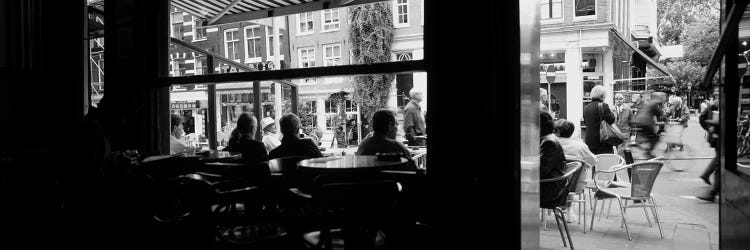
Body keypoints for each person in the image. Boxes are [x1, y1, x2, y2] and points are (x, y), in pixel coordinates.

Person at [583, 85, 616, 154]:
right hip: (602, 139)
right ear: (602, 95)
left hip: (589, 140)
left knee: (594, 161)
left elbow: (586, 123)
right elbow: (612, 120)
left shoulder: (586, 107)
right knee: (606, 161)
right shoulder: (603, 106)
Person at [697, 99, 720, 202]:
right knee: (719, 161)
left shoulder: (713, 104)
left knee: (719, 160)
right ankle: (713, 191)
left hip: (716, 136)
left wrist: (708, 127)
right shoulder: (714, 105)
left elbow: (702, 117)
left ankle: (713, 190)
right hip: (718, 136)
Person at [633, 92, 666, 159]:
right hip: (645, 123)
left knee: (648, 137)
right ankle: (648, 153)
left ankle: (641, 146)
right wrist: (666, 120)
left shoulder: (649, 102)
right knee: (655, 138)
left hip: (639, 121)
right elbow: (659, 114)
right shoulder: (654, 103)